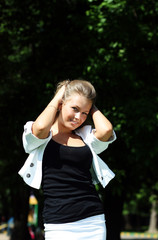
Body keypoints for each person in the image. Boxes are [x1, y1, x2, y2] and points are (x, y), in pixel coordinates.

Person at [18, 79, 116, 240]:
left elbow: (106, 130)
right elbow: (41, 128)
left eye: (85, 113)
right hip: (59, 223)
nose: (79, 117)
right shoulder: (40, 133)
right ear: (61, 104)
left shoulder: (85, 136)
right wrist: (58, 97)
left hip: (93, 219)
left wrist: (89, 106)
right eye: (75, 109)